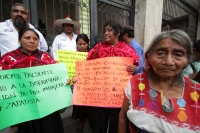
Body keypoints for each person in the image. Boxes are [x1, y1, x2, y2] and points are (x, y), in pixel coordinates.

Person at [118, 30, 200, 133]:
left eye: (178, 55)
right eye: (160, 53)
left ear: (187, 59)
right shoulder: (136, 83)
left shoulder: (197, 93)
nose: (168, 62)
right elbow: (122, 116)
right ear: (148, 57)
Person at [0, 28, 64, 133]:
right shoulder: (7, 59)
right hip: (22, 109)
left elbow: (57, 78)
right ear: (19, 40)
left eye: (35, 39)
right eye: (27, 38)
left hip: (47, 107)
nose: (31, 41)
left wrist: (63, 81)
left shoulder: (46, 58)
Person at [87, 21, 140, 133]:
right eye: (105, 30)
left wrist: (135, 69)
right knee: (99, 118)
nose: (106, 33)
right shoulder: (98, 48)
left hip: (119, 94)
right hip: (100, 92)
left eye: (109, 30)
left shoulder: (127, 49)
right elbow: (87, 65)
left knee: (117, 119)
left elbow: (137, 65)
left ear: (118, 33)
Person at [72, 33, 90, 132]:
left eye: (84, 44)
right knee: (80, 103)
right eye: (79, 44)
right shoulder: (72, 56)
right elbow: (70, 69)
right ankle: (81, 120)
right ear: (76, 44)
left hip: (90, 82)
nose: (82, 46)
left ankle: (90, 118)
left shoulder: (92, 54)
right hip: (78, 83)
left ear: (88, 43)